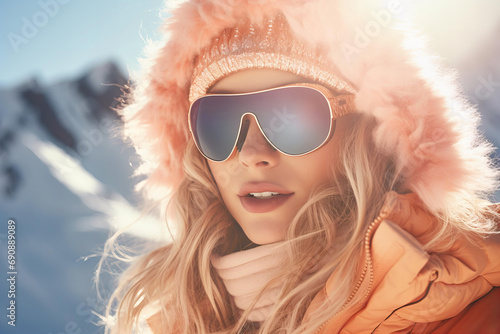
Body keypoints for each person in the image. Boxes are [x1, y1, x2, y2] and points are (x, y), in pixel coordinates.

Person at [101, 0, 500, 333]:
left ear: (371, 130)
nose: (251, 152)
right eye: (219, 122)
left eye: (290, 116)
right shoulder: (181, 320)